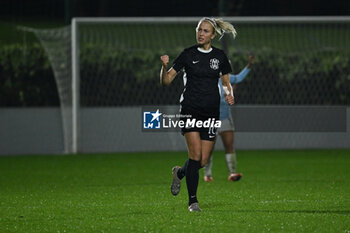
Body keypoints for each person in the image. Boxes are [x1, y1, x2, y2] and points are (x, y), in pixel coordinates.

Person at [160, 17, 237, 212]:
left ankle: (179, 173)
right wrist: (164, 67)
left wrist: (229, 95)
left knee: (201, 161)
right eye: (199, 30)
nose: (201, 34)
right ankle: (192, 202)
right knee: (194, 156)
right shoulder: (187, 54)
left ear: (213, 35)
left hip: (211, 113)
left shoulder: (220, 56)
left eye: (205, 31)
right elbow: (167, 80)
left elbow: (227, 83)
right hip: (190, 110)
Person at [203, 55, 254, 183]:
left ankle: (232, 173)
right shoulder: (209, 81)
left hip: (225, 118)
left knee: (229, 146)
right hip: (211, 120)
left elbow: (240, 78)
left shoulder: (229, 79)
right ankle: (207, 174)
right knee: (209, 148)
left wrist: (249, 65)